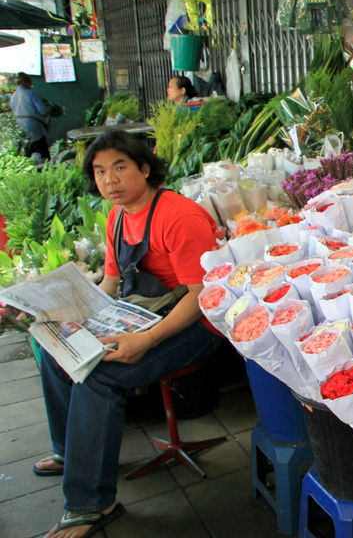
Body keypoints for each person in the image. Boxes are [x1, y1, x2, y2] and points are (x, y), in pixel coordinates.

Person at [34, 129, 221, 538]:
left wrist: (147, 341)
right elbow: (112, 283)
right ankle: (70, 451)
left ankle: (90, 503)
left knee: (99, 376)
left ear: (144, 167)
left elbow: (202, 296)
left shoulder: (179, 216)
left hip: (195, 321)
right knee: (52, 347)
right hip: (140, 311)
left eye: (120, 167)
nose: (109, 180)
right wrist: (73, 317)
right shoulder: (118, 216)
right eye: (100, 171)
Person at [9, 71, 50, 161]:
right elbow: (42, 111)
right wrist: (48, 111)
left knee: (27, 151)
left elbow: (13, 109)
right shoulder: (31, 94)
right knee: (41, 150)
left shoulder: (13, 96)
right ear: (28, 82)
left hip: (19, 125)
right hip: (32, 125)